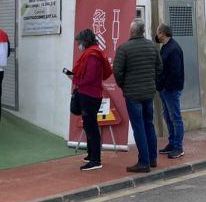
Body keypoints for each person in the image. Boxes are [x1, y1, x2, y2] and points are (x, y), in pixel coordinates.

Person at [113, 18, 162, 173]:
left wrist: (124, 86)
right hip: (149, 92)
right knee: (149, 124)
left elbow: (117, 72)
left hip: (133, 94)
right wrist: (151, 81)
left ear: (132, 31)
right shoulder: (152, 47)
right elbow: (159, 68)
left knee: (139, 127)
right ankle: (152, 159)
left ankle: (144, 162)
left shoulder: (124, 48)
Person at [67, 28, 110, 171]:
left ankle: (96, 160)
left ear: (85, 41)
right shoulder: (93, 53)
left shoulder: (92, 55)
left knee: (91, 128)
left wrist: (76, 79)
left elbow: (90, 77)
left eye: (79, 42)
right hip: (90, 94)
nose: (78, 45)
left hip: (90, 95)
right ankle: (91, 155)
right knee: (89, 125)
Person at [155, 23, 186, 158]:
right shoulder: (166, 47)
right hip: (164, 89)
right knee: (168, 117)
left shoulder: (173, 49)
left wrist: (164, 85)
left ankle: (178, 147)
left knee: (175, 118)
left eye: (158, 33)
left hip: (171, 89)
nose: (156, 35)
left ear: (162, 33)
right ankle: (172, 143)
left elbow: (175, 72)